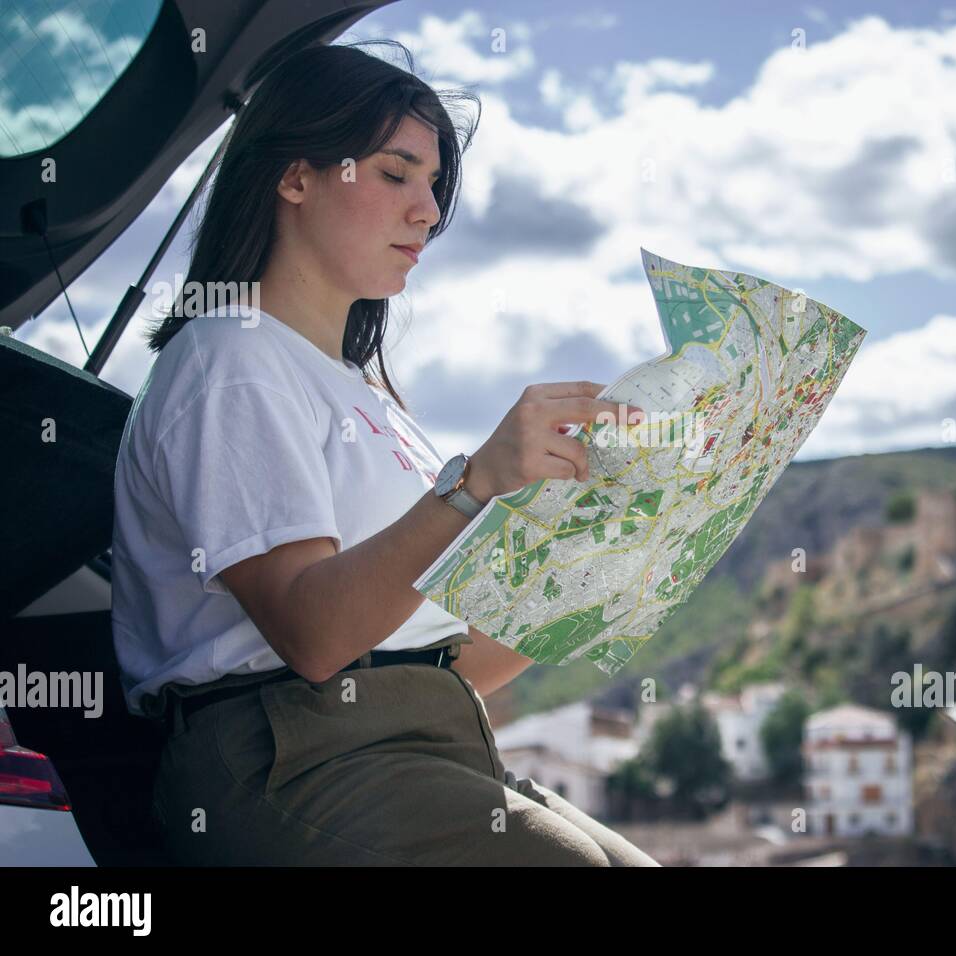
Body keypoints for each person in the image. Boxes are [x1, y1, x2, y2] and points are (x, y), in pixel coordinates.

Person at [110, 40, 659, 866]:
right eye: (397, 173)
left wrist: (629, 562)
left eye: (434, 186)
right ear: (295, 177)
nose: (430, 211)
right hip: (291, 758)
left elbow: (454, 660)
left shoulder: (369, 400)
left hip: (426, 739)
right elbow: (316, 635)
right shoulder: (229, 357)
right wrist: (472, 484)